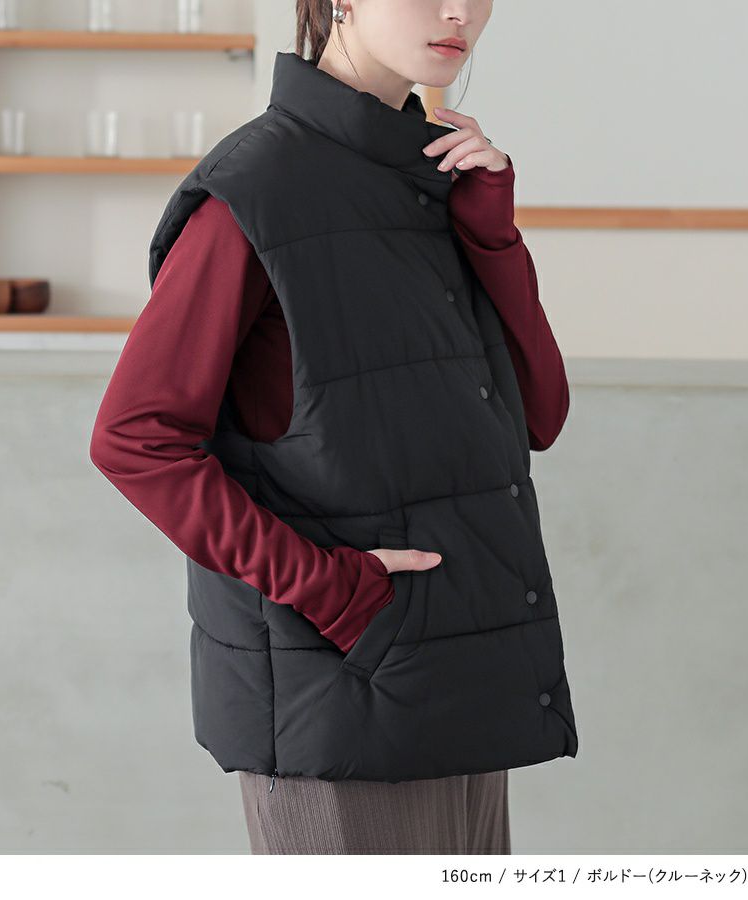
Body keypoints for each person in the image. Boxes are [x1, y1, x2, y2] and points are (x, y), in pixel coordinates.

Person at [90, 0, 577, 854]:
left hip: (456, 675)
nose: (459, 11)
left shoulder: (432, 179)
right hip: (342, 692)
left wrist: (492, 234)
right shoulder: (257, 187)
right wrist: (334, 590)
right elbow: (135, 439)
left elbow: (540, 414)